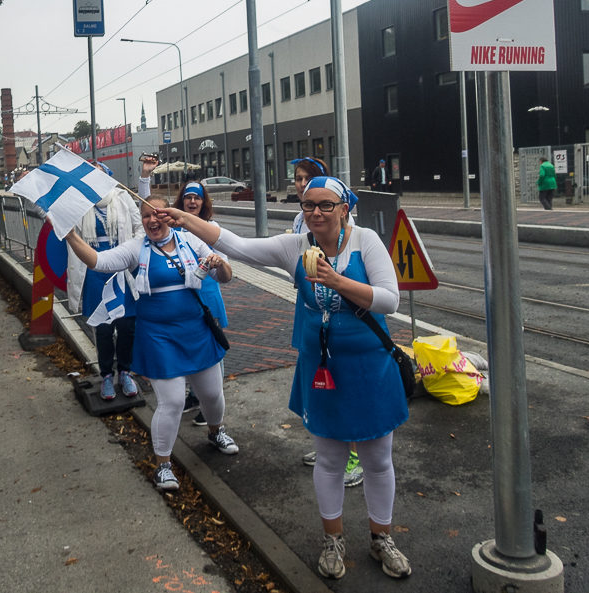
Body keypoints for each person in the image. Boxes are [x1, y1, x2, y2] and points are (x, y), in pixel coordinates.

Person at [159, 177, 411, 580]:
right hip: (322, 368)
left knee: (377, 459)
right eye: (308, 204)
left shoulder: (366, 241)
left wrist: (338, 281)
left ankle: (382, 537)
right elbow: (233, 244)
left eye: (326, 205)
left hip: (369, 367)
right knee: (329, 459)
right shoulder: (295, 246)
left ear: (345, 208)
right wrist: (183, 219)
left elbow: (390, 299)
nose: (316, 213)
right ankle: (333, 539)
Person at [65, 195, 240, 492]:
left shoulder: (190, 240)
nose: (152, 220)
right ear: (141, 220)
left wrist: (218, 263)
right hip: (158, 337)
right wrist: (69, 235)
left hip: (197, 332)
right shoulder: (136, 248)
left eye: (158, 214)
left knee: (211, 394)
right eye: (146, 215)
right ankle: (163, 466)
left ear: (170, 216)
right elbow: (99, 261)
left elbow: (225, 277)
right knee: (172, 402)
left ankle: (215, 431)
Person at [290, 158, 363, 487]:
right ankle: (329, 446)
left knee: (341, 382)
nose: (300, 184)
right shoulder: (299, 221)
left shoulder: (342, 224)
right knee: (317, 376)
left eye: (306, 178)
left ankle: (352, 455)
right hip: (310, 308)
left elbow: (386, 297)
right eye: (297, 180)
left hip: (338, 314)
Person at [66, 168, 144, 402]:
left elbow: (140, 227)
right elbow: (66, 228)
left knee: (127, 325)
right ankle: (107, 375)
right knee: (103, 329)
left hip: (122, 270)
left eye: (100, 174)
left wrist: (129, 249)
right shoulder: (80, 202)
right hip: (96, 272)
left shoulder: (122, 197)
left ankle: (125, 372)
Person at [172, 181, 232, 427]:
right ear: (182, 202)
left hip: (208, 296)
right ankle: (195, 396)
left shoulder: (211, 228)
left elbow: (226, 264)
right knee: (190, 346)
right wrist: (145, 178)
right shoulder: (174, 228)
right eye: (188, 198)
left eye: (197, 198)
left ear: (203, 202)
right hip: (186, 299)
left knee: (213, 349)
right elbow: (149, 211)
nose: (192, 202)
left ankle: (212, 401)